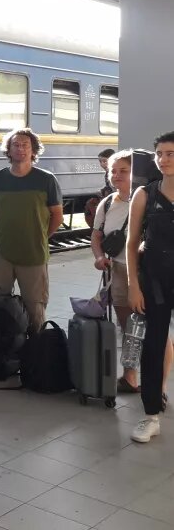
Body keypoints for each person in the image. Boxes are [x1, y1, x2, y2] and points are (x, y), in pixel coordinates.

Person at [93, 149, 173, 397]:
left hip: (147, 273)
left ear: (135, 174)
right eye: (112, 171)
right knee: (128, 327)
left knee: (157, 330)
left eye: (123, 171)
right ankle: (130, 377)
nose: (116, 176)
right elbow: (96, 235)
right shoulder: (107, 203)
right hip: (118, 272)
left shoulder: (149, 200)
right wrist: (99, 256)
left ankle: (157, 387)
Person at [0, 128, 63, 333]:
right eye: (16, 145)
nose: (20, 149)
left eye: (25, 145)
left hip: (34, 253)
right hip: (2, 251)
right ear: (8, 150)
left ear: (33, 150)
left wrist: (40, 237)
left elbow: (57, 216)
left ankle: (36, 354)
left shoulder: (46, 179)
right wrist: (1, 232)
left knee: (35, 307)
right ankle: (0, 351)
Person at [126, 132, 174, 443]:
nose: (164, 159)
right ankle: (151, 415)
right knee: (153, 347)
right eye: (160, 153)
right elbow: (131, 244)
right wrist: (133, 285)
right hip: (155, 282)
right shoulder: (145, 194)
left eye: (170, 153)